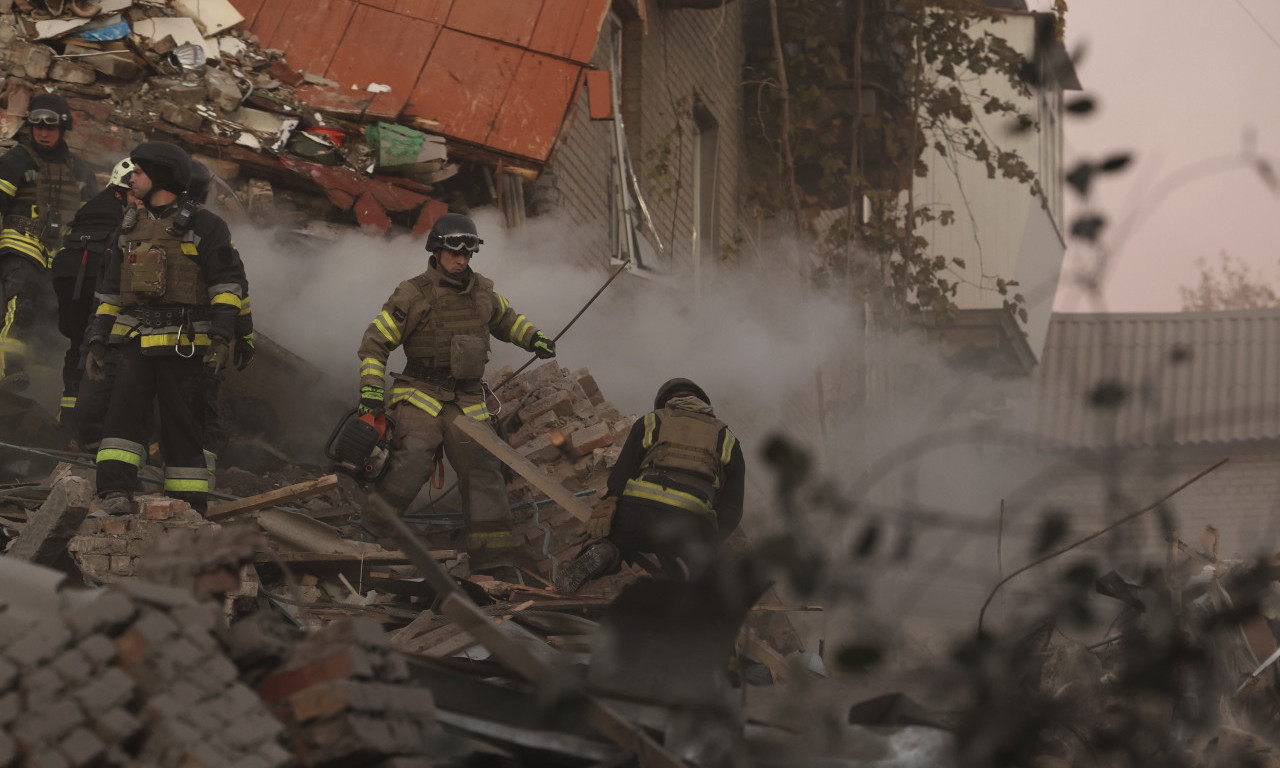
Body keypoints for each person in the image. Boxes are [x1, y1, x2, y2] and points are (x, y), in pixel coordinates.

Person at [355, 212, 556, 573]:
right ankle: (368, 536)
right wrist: (371, 392)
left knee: (484, 473)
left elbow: (507, 319)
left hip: (467, 400)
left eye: (468, 253)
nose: (461, 259)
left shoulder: (483, 292)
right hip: (420, 393)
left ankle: (493, 565)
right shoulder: (413, 293)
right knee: (412, 458)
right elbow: (374, 343)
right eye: (454, 252)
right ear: (436, 250)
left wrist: (534, 339)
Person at [86, 141, 248, 516]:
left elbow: (227, 286)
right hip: (133, 341)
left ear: (160, 176)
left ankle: (188, 502)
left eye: (139, 172)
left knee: (183, 424)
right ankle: (115, 491)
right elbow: (111, 291)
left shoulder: (207, 226)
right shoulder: (128, 227)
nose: (131, 178)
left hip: (184, 342)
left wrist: (223, 338)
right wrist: (97, 337)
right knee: (121, 420)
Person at [554, 378, 745, 595]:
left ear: (666, 403)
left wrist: (611, 503)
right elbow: (732, 507)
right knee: (690, 568)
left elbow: (623, 473)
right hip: (689, 524)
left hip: (639, 511)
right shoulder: (727, 438)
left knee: (614, 541)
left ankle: (601, 553)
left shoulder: (652, 421)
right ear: (703, 403)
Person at [0, 92, 95, 392]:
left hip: (60, 257)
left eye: (50, 128)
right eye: (37, 126)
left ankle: (40, 384)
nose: (42, 132)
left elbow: (96, 216)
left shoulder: (80, 170)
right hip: (20, 247)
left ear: (62, 128)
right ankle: (7, 368)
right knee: (21, 304)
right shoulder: (16, 160)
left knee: (53, 319)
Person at [50, 157, 137, 430]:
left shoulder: (91, 207)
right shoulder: (124, 214)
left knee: (77, 344)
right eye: (133, 193)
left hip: (66, 271)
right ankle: (90, 424)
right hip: (94, 272)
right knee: (95, 345)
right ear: (119, 191)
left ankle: (67, 424)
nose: (139, 199)